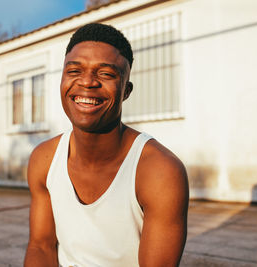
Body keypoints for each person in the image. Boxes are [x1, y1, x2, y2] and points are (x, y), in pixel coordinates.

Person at [24, 23, 189, 267]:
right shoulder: (44, 158)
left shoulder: (159, 171)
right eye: (74, 71)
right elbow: (41, 246)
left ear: (126, 91)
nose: (87, 82)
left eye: (106, 74)